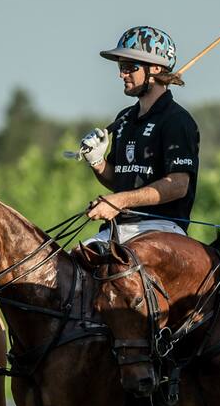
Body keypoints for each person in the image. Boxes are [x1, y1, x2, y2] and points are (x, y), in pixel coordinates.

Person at [76, 26, 200, 244]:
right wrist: (97, 162)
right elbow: (121, 180)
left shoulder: (177, 120)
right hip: (118, 229)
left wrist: (119, 201)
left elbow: (178, 185)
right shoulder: (124, 118)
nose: (122, 74)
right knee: (65, 269)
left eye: (129, 67)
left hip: (162, 229)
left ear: (155, 69)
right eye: (120, 66)